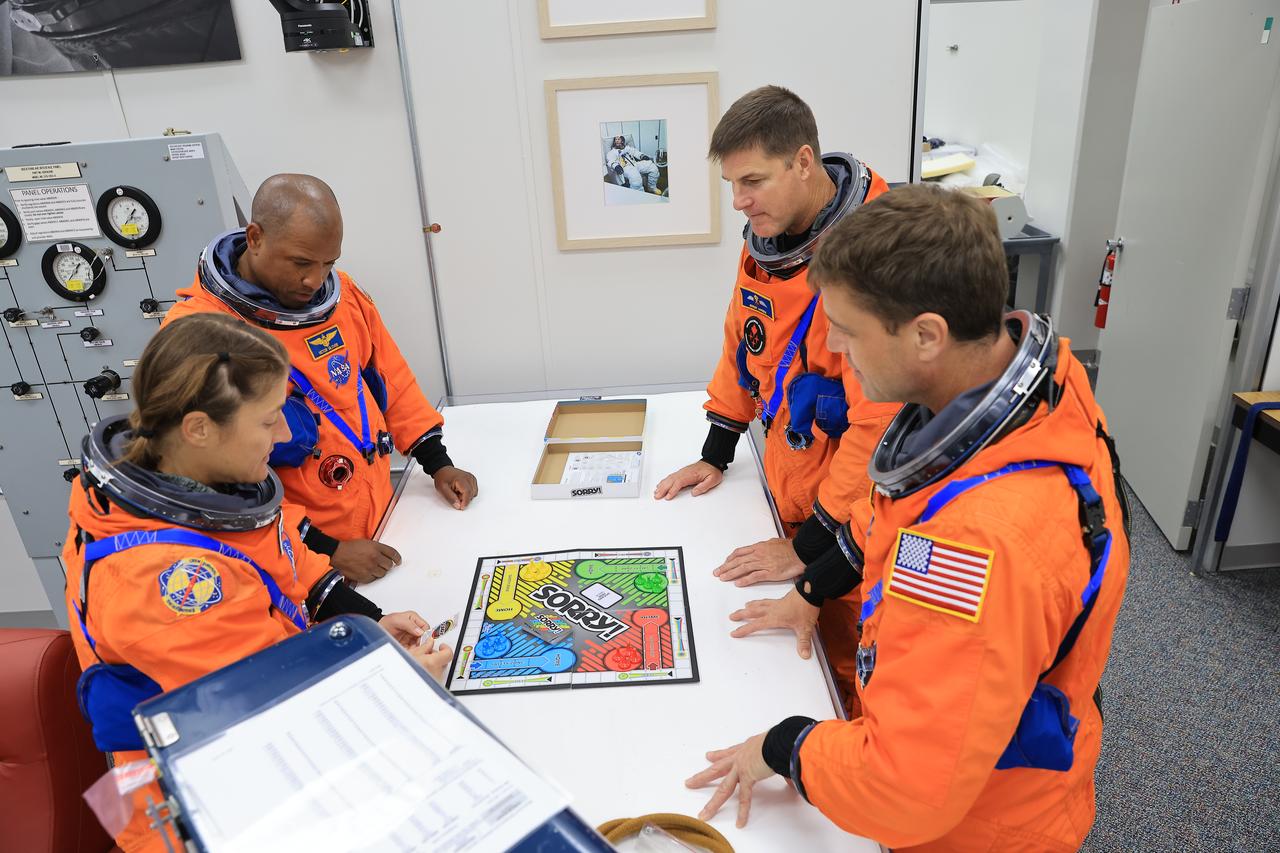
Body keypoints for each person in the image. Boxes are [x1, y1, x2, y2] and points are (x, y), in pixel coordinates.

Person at [686, 184, 1132, 851]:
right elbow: (894, 513)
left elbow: (906, 786)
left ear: (928, 335)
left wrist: (787, 746)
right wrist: (814, 587)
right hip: (980, 753)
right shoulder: (1034, 390)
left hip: (977, 827)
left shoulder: (974, 548)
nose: (832, 343)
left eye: (848, 328)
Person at [63, 314, 452, 852]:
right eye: (270, 420)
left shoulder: (205, 494)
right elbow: (265, 725)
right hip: (209, 815)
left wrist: (366, 627)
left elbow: (283, 560)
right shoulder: (165, 587)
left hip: (264, 755)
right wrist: (398, 685)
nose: (287, 435)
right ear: (199, 428)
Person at [651, 85, 898, 709]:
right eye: (732, 184)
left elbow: (878, 432)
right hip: (793, 482)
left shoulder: (880, 259)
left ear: (805, 162)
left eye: (753, 181)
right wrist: (717, 450)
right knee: (794, 657)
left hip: (857, 509)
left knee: (857, 664)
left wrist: (808, 547)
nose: (740, 202)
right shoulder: (768, 242)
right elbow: (746, 339)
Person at [165, 173, 478, 584]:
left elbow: (392, 381)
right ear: (255, 237)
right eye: (300, 263)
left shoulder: (343, 297)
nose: (314, 280)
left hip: (381, 525)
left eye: (328, 263)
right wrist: (328, 551)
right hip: (295, 560)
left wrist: (438, 464)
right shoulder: (200, 336)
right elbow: (218, 484)